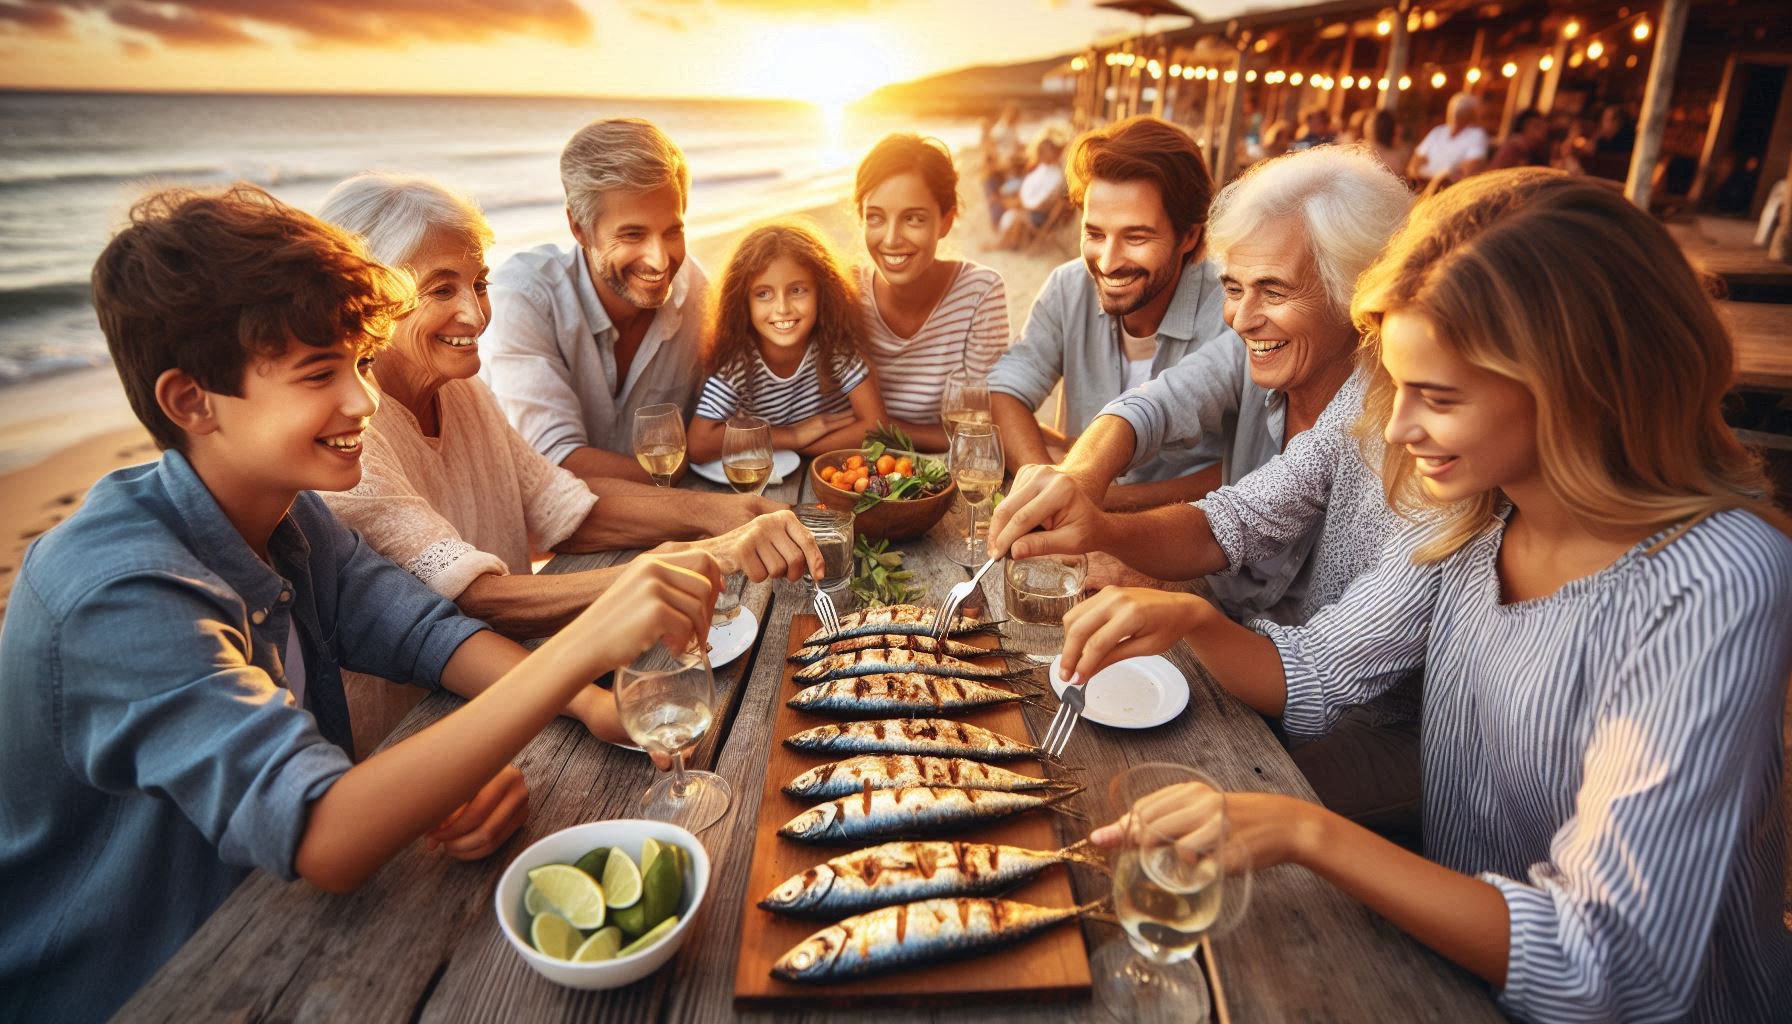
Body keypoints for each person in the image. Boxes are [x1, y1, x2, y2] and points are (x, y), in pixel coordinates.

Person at [1070, 169, 1792, 1021]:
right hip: (1452, 967)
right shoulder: (1480, 505)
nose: (1400, 430)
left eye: (1438, 398)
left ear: (1574, 388)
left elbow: (1611, 966)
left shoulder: (1717, 578)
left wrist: (1308, 831)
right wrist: (1185, 612)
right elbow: (1316, 670)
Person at [0, 184, 726, 1023]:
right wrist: (581, 643)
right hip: (146, 982)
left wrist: (597, 707)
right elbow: (327, 836)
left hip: (281, 927)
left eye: (358, 363)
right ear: (190, 401)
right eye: (320, 375)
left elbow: (425, 633)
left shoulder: (289, 512)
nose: (363, 401)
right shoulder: (117, 591)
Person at [987, 148, 1420, 835]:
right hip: (1250, 658)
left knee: (1122, 803)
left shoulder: (1404, 428)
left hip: (1362, 728)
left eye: (1272, 290)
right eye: (1233, 287)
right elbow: (1212, 496)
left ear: (1357, 292)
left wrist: (1188, 612)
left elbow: (1319, 680)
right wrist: (1083, 503)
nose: (1241, 318)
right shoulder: (1310, 383)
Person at [319, 174, 819, 641]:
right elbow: (475, 601)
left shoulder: (460, 389)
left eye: (479, 284)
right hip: (418, 720)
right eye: (441, 289)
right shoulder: (347, 432)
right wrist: (705, 555)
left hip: (524, 674)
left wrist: (725, 511)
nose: (475, 315)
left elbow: (563, 508)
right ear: (367, 298)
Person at [988, 115, 1238, 510]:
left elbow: (1241, 467)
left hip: (1182, 540)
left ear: (1189, 236)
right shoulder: (1068, 286)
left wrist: (1098, 499)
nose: (1107, 261)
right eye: (1095, 233)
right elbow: (1006, 391)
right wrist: (1042, 485)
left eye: (1136, 237)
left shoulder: (1233, 308)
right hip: (1079, 524)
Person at [481, 118, 706, 484]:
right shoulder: (523, 297)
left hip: (656, 526)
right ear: (579, 229)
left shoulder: (698, 294)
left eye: (672, 231)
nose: (660, 260)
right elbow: (556, 464)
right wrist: (680, 485)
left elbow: (724, 417)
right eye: (633, 235)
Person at [854, 133, 1010, 453]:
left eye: (913, 218)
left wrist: (878, 426)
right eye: (876, 217)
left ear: (945, 221)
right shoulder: (846, 292)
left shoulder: (979, 293)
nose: (892, 238)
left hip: (945, 473)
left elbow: (980, 430)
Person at [688, 223, 886, 461]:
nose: (782, 308)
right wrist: (791, 436)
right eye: (763, 294)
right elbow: (699, 444)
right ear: (742, 302)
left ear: (821, 292)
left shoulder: (834, 347)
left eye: (797, 290)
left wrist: (798, 447)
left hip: (826, 470)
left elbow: (875, 428)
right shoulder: (738, 364)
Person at [994, 128, 1067, 250]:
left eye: (1045, 151)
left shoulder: (1056, 175)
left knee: (1017, 214)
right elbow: (1030, 187)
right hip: (1032, 208)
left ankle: (1005, 244)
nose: (1041, 154)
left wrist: (1024, 204)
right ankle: (1010, 242)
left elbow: (1044, 199)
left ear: (1054, 152)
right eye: (1041, 151)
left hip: (1041, 214)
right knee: (1012, 209)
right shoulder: (1043, 168)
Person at [1408, 92, 1489, 188]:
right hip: (1422, 184)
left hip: (1447, 189)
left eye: (1461, 110)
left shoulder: (1477, 135)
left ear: (1470, 113)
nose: (1455, 113)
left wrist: (1441, 180)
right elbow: (1416, 160)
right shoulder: (1438, 131)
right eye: (1453, 108)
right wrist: (1415, 176)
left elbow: (1469, 170)